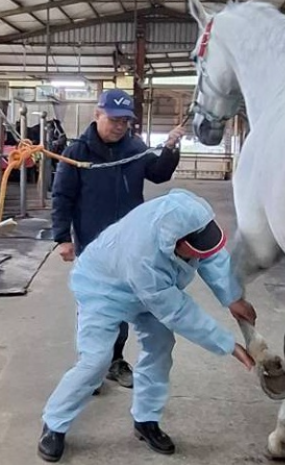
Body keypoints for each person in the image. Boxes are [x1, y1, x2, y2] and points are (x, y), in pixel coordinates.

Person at [38, 189, 257, 461]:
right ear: (173, 242)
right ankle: (54, 424)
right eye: (194, 246)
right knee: (96, 361)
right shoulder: (145, 257)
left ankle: (146, 420)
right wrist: (227, 344)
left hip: (147, 290)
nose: (202, 250)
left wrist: (232, 297)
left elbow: (212, 255)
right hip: (102, 288)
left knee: (161, 348)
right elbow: (176, 310)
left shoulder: (187, 216)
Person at [52, 89, 185, 389]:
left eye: (125, 121)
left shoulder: (133, 147)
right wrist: (62, 237)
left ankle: (114, 361)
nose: (120, 126)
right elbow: (62, 196)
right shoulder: (76, 153)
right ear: (97, 115)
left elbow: (159, 174)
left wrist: (171, 148)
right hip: (91, 242)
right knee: (93, 307)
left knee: (123, 302)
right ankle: (92, 367)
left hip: (128, 245)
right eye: (114, 120)